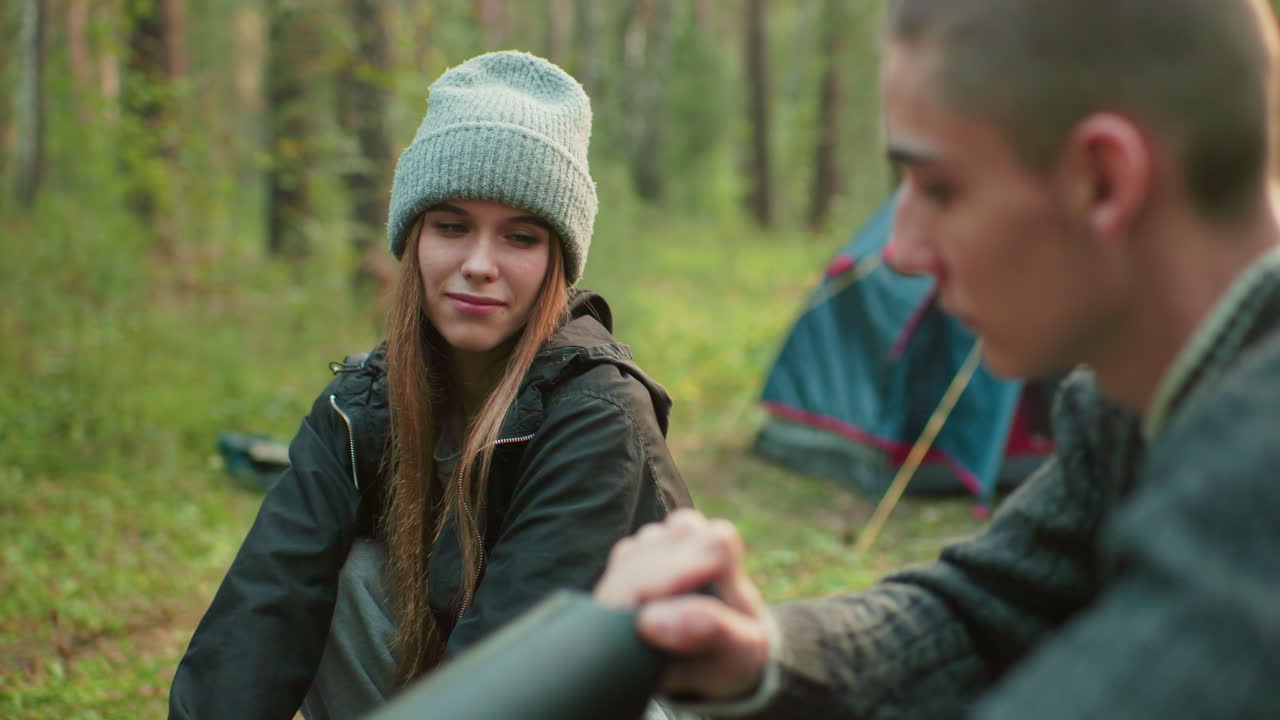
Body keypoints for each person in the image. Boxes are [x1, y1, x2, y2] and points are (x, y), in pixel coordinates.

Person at [594, 0, 1280, 717]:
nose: (902, 251)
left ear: (1103, 181)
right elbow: (983, 611)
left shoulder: (1256, 496)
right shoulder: (1130, 396)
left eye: (939, 188)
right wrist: (760, 655)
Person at [169, 51, 692, 719]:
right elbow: (264, 605)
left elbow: (517, 665)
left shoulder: (599, 411)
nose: (479, 265)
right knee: (348, 577)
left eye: (520, 237)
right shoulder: (363, 406)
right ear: (413, 239)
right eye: (452, 227)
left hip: (619, 697)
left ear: (555, 260)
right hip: (460, 687)